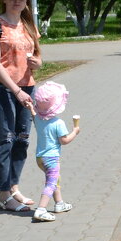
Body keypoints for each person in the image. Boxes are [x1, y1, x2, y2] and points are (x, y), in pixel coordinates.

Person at [0, 0, 45, 220]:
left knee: (22, 139)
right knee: (4, 141)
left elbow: (38, 55)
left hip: (28, 88)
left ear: (25, 1)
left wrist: (39, 63)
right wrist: (16, 91)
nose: (17, 0)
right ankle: (3, 196)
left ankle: (14, 188)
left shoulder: (28, 25)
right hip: (2, 90)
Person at [31, 81, 81, 222]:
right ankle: (41, 209)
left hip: (40, 158)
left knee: (54, 178)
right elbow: (64, 141)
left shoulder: (38, 119)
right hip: (51, 158)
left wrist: (31, 107)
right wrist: (75, 131)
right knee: (51, 183)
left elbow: (34, 114)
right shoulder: (58, 123)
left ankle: (59, 203)